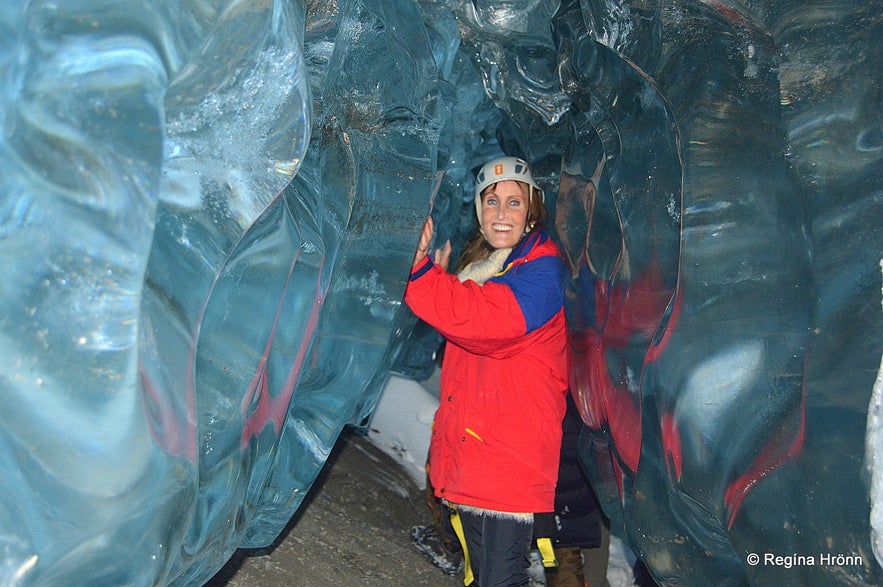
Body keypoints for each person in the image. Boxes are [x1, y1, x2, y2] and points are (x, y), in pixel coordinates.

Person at [404, 156, 569, 586]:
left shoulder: (542, 273)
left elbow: (486, 323)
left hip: (508, 462)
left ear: (532, 209)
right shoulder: (489, 269)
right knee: (484, 576)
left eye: (514, 203)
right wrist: (442, 280)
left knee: (500, 579)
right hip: (479, 454)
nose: (501, 213)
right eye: (491, 201)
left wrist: (423, 276)